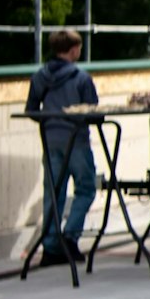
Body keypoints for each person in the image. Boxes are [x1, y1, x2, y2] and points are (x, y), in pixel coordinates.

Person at [25, 29, 99, 267]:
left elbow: (31, 109)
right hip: (76, 140)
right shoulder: (81, 78)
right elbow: (93, 111)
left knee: (53, 193)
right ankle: (70, 236)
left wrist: (50, 121)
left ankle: (51, 246)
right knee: (86, 188)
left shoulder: (40, 76)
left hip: (50, 140)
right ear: (74, 50)